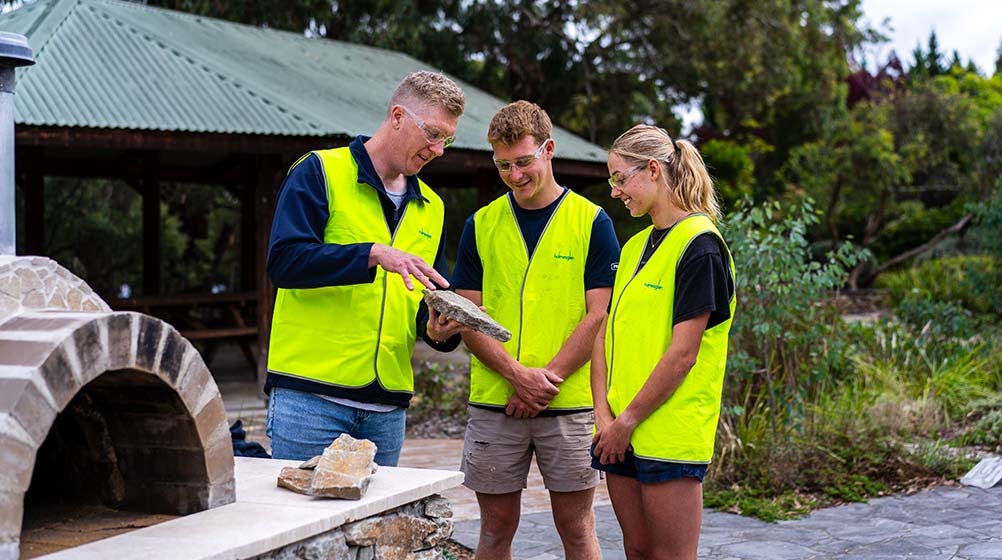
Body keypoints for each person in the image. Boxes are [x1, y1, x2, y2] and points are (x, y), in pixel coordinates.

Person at [264, 71, 469, 466]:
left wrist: (439, 331)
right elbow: (285, 263)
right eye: (432, 133)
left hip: (387, 408)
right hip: (310, 399)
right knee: (304, 509)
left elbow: (427, 300)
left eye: (447, 139)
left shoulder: (433, 206)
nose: (438, 149)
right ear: (397, 116)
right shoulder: (319, 171)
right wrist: (372, 254)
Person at [452, 100, 621, 560]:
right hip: (495, 400)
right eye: (503, 165)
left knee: (576, 528)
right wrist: (516, 375)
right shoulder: (480, 224)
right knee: (494, 530)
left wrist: (543, 383)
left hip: (568, 403)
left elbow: (599, 315)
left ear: (548, 149)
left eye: (523, 161)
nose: (514, 174)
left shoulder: (592, 222)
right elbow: (465, 314)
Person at [591, 124, 737, 560]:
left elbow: (683, 355)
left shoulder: (701, 246)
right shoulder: (634, 246)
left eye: (620, 178)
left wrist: (625, 422)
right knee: (636, 551)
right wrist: (604, 417)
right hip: (617, 431)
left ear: (653, 170)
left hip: (669, 436)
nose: (615, 191)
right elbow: (604, 333)